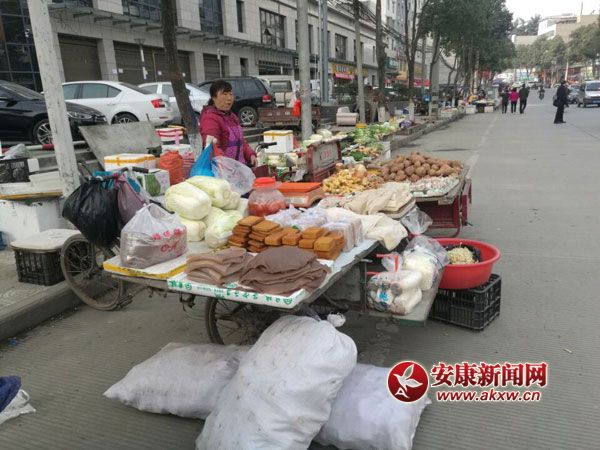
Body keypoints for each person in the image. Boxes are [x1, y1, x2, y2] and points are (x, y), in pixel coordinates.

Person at [199, 79, 256, 166]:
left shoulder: (233, 117)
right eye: (224, 94)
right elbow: (213, 148)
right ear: (214, 97)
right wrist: (226, 165)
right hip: (222, 168)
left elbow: (241, 142)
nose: (229, 98)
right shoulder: (210, 119)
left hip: (239, 167)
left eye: (231, 94)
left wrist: (250, 154)